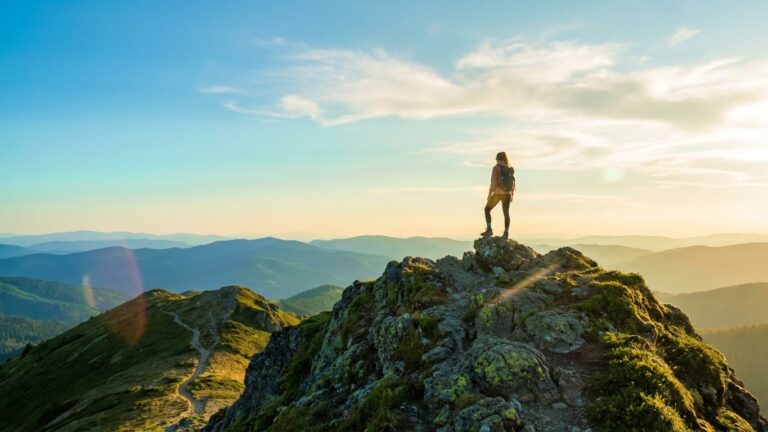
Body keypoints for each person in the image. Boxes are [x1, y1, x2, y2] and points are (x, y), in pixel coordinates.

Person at [481, 152, 515, 239]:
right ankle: (506, 233)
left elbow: (493, 183)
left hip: (497, 194)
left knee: (487, 209)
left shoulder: (496, 168)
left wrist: (489, 194)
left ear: (497, 159)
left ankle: (489, 230)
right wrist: (511, 194)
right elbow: (512, 183)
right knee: (506, 213)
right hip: (507, 194)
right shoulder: (509, 168)